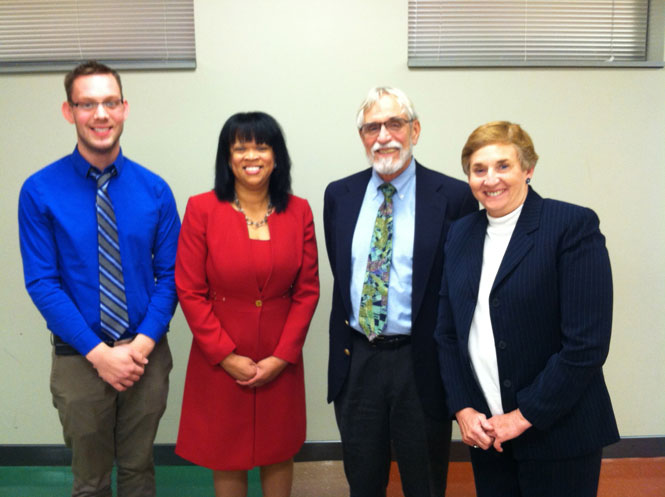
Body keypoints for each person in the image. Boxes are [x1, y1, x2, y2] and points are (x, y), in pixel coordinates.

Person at [18, 61, 180, 497]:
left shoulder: (155, 191)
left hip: (146, 358)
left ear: (125, 108)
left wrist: (141, 345)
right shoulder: (39, 191)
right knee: (89, 482)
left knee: (138, 472)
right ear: (69, 112)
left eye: (109, 102)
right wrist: (100, 354)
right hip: (79, 359)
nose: (101, 114)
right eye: (87, 104)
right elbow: (42, 283)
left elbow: (171, 277)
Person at [434, 121, 620, 496]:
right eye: (479, 169)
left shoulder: (570, 225)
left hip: (560, 433)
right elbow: (448, 333)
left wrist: (521, 418)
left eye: (503, 165)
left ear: (528, 169)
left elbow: (586, 347)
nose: (491, 179)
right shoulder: (460, 234)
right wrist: (464, 409)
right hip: (488, 436)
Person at [323, 86, 478, 497]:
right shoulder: (339, 195)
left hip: (420, 360)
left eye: (394, 123)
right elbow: (344, 274)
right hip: (357, 358)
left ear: (415, 129)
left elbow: (462, 288)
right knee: (363, 479)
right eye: (372, 127)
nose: (383, 135)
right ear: (362, 137)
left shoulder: (455, 198)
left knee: (424, 481)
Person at [175, 112, 320, 497]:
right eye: (240, 147)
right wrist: (224, 355)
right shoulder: (202, 209)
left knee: (278, 450)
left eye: (261, 146)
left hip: (279, 356)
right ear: (227, 157)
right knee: (227, 453)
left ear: (277, 155)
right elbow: (189, 289)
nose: (250, 155)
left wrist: (282, 356)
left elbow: (307, 291)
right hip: (221, 356)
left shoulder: (299, 210)